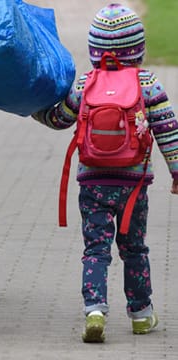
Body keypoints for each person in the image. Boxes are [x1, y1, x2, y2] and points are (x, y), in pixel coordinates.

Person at [32, 3, 178, 343]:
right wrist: (176, 171)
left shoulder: (86, 82)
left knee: (96, 249)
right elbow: (168, 129)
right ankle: (141, 314)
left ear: (94, 48)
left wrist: (34, 112)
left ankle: (95, 310)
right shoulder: (147, 82)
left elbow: (60, 118)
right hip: (133, 184)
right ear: (138, 47)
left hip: (93, 181)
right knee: (135, 248)